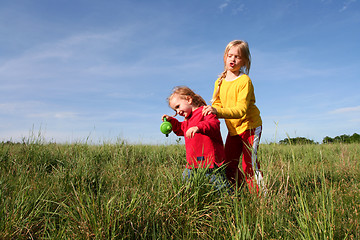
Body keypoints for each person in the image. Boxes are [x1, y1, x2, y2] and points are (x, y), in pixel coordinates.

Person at [202, 40, 264, 193]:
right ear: (225, 57)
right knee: (229, 165)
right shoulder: (219, 82)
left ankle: (261, 199)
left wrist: (217, 112)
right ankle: (240, 193)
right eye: (230, 55)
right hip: (233, 130)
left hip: (250, 126)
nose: (233, 59)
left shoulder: (244, 81)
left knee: (249, 164)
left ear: (244, 61)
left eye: (237, 57)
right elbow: (216, 104)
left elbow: (241, 110)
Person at [162, 86, 229, 192]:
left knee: (220, 187)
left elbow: (213, 124)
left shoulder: (205, 111)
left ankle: (231, 203)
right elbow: (181, 129)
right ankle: (185, 204)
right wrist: (172, 122)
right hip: (193, 163)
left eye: (178, 106)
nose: (178, 111)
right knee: (185, 186)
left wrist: (199, 127)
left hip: (210, 162)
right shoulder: (187, 120)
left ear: (189, 100)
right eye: (175, 109)